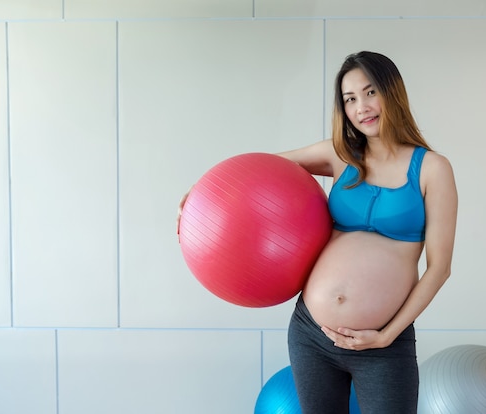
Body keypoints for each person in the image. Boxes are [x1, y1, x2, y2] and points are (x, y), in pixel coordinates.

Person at [177, 51, 457, 413]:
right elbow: (255, 172)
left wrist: (387, 335)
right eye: (350, 99)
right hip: (312, 334)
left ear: (393, 92)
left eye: (370, 93)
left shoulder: (432, 169)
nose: (362, 107)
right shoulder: (339, 154)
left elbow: (439, 268)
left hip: (382, 343)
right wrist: (198, 196)